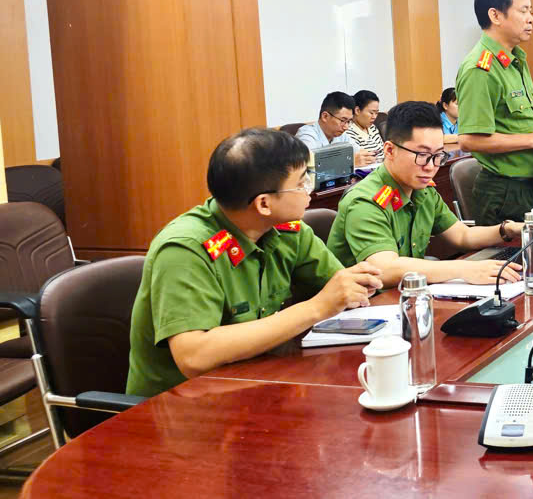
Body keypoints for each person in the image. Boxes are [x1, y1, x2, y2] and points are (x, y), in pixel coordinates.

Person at [126, 129, 384, 398]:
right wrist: (317, 307)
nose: (310, 188)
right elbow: (194, 356)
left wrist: (355, 286)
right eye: (301, 183)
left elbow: (341, 290)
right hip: (178, 406)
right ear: (263, 204)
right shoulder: (186, 250)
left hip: (256, 384)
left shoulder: (286, 230)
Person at [327, 101, 521, 287]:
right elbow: (385, 268)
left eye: (437, 156)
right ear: (390, 150)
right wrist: (464, 269)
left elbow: (463, 235)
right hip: (367, 302)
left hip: (407, 293)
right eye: (422, 155)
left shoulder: (423, 190)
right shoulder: (365, 201)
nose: (430, 167)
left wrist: (509, 229)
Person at [456, 0, 533, 224]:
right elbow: (469, 140)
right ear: (496, 15)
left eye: (530, 10)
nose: (531, 18)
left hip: (532, 185)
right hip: (505, 193)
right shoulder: (480, 68)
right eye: (523, 10)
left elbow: (514, 124)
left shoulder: (515, 59)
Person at [296, 91, 375, 167]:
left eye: (349, 121)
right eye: (343, 120)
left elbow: (359, 152)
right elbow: (311, 165)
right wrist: (349, 162)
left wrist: (367, 156)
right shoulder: (307, 135)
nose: (346, 127)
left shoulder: (342, 135)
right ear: (325, 116)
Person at [347, 90, 384, 165]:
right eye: (371, 113)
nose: (374, 117)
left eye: (376, 113)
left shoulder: (372, 128)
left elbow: (383, 152)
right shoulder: (348, 132)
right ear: (357, 110)